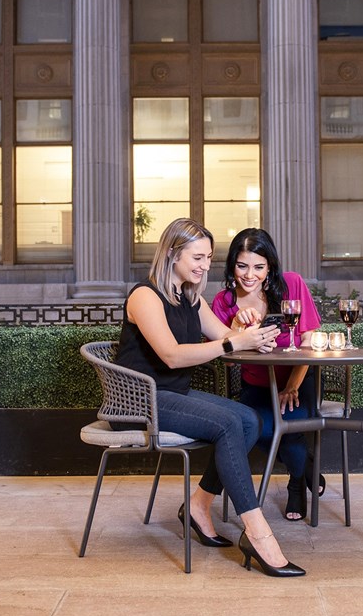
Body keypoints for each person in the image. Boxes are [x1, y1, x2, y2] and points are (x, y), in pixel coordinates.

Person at [115, 217, 304, 577]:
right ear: (172, 254)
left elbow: (226, 338)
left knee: (251, 419)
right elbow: (171, 354)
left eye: (208, 258)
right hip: (141, 403)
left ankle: (199, 507)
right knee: (230, 422)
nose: (205, 266)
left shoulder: (190, 297)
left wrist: (254, 336)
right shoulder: (145, 296)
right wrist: (233, 341)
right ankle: (258, 533)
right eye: (197, 258)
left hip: (173, 395)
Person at [211, 228, 325, 521]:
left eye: (259, 267)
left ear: (270, 267)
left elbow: (309, 340)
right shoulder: (223, 303)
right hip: (256, 384)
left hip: (298, 381)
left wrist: (292, 386)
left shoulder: (292, 284)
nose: (250, 275)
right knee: (258, 430)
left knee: (291, 431)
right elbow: (226, 362)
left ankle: (296, 484)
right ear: (231, 265)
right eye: (242, 266)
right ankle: (305, 466)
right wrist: (236, 326)